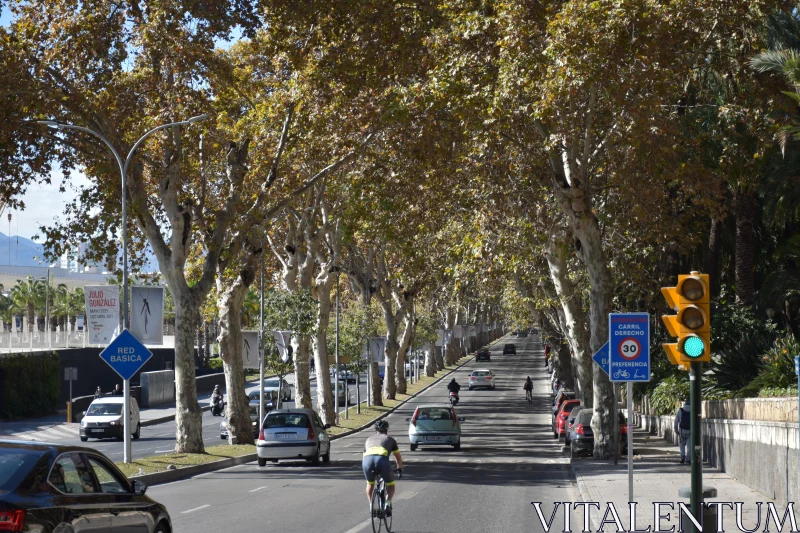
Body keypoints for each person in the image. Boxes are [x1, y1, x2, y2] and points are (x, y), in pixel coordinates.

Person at [362, 420, 403, 517]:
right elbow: (398, 457)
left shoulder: (368, 439)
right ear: (387, 430)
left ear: (375, 430)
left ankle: (371, 506)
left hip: (367, 461)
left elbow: (364, 455)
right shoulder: (390, 439)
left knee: (370, 484)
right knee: (391, 485)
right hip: (382, 460)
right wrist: (400, 468)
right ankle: (387, 504)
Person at [673, 398, 692, 464]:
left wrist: (676, 430)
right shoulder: (693, 410)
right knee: (689, 446)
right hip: (690, 431)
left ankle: (682, 456)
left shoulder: (681, 410)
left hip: (682, 431)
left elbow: (676, 421)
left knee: (682, 444)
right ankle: (688, 459)